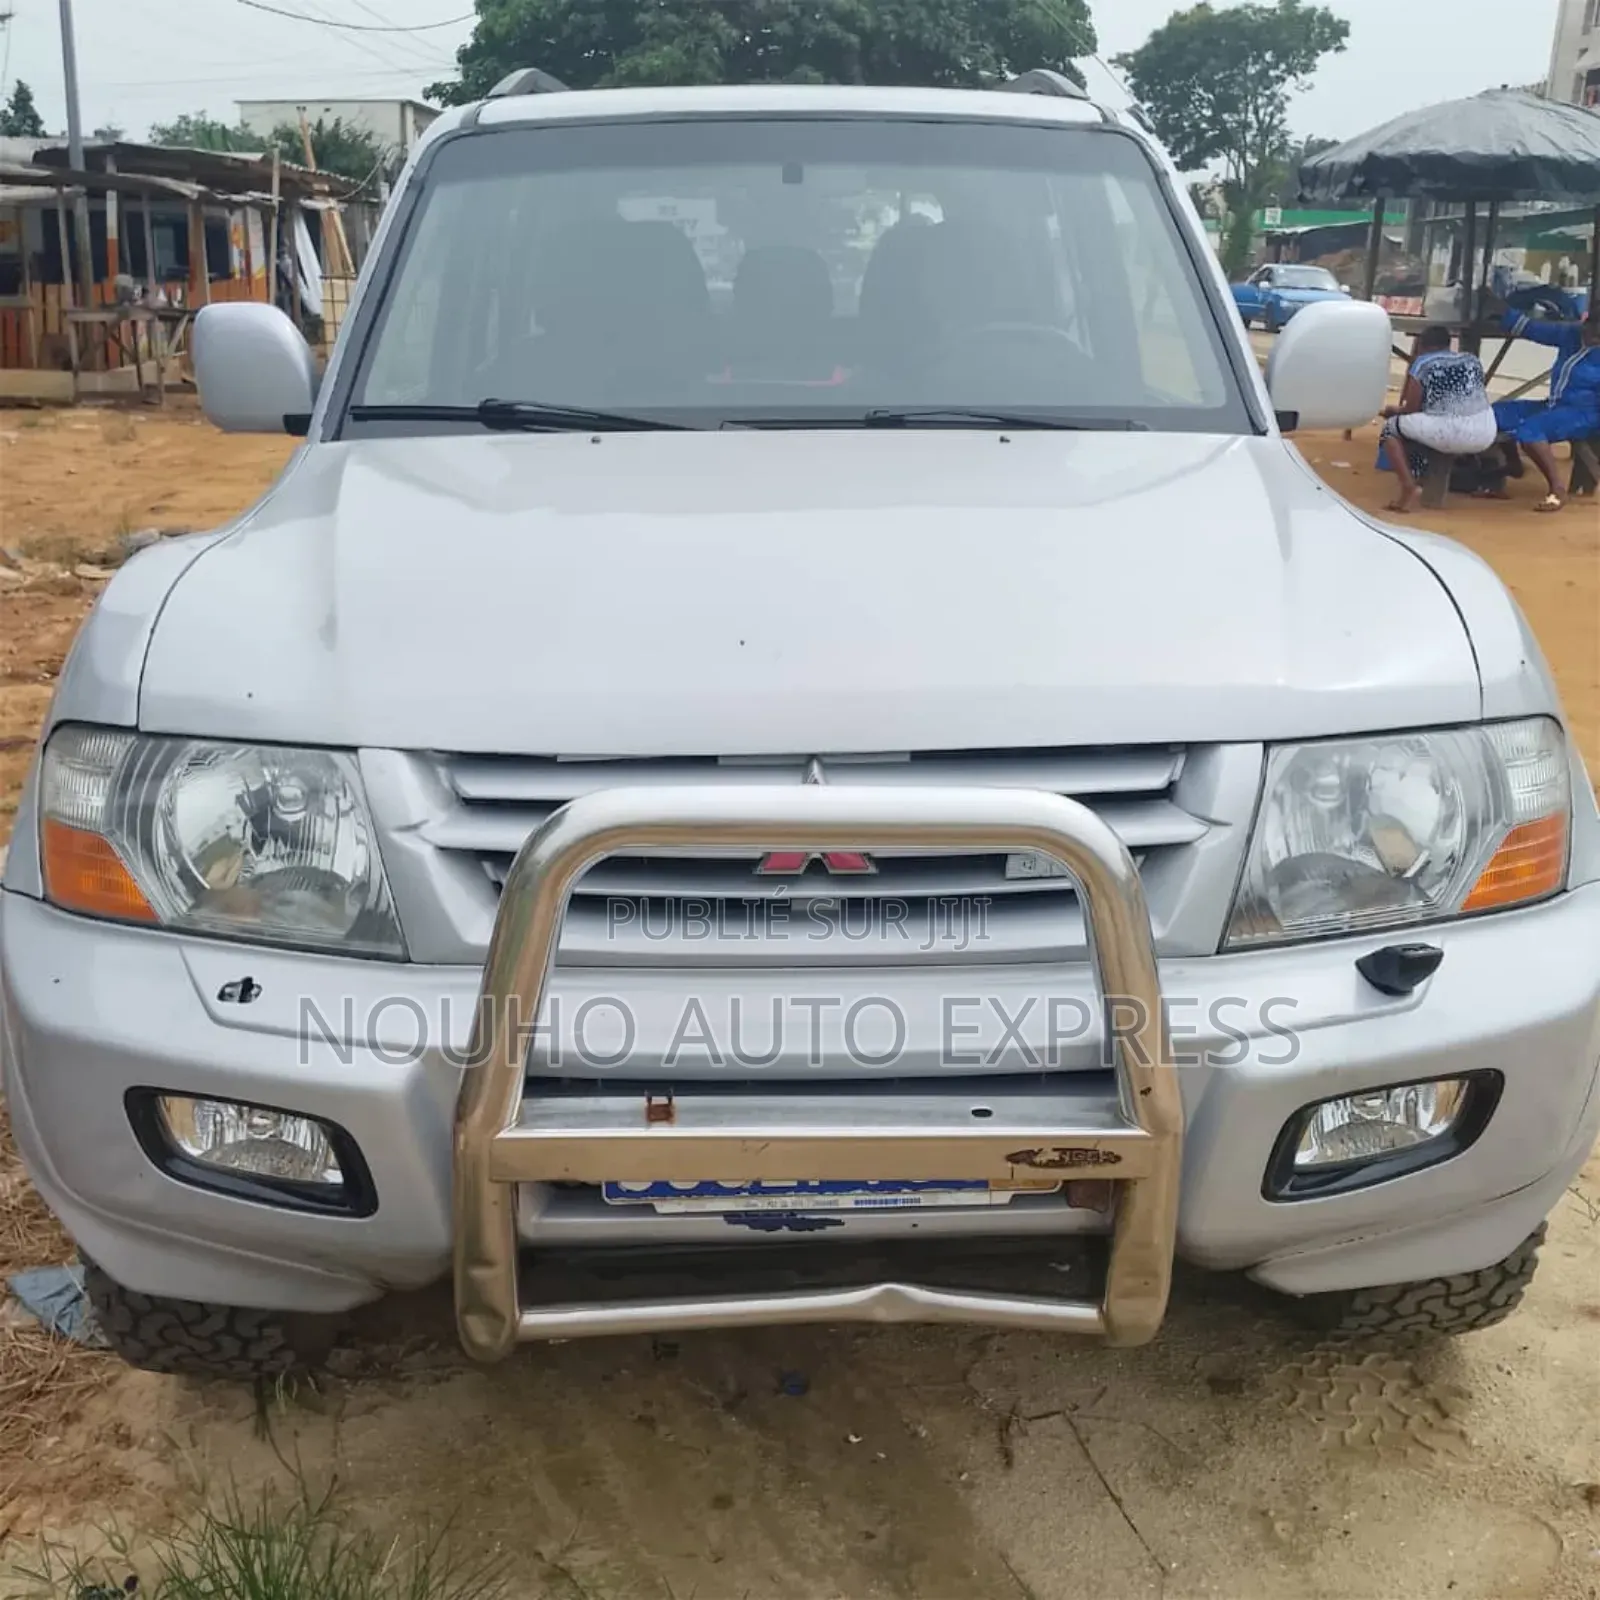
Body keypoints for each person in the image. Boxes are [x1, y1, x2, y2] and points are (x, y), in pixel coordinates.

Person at [1491, 307, 1600, 512]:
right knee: (1496, 413)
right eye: (1595, 334)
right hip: (1553, 405)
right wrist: (1501, 309)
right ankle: (1514, 465)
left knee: (1530, 432)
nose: (1597, 340)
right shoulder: (1570, 333)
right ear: (1586, 324)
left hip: (1584, 414)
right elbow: (1533, 328)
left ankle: (1557, 489)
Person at [1378, 326, 1496, 514]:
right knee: (1422, 425)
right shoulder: (1471, 359)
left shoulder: (1423, 363)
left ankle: (1408, 486)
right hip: (1485, 431)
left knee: (1391, 429)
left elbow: (1411, 409)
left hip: (1447, 431)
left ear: (1422, 346)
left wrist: (1393, 411)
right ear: (1448, 344)